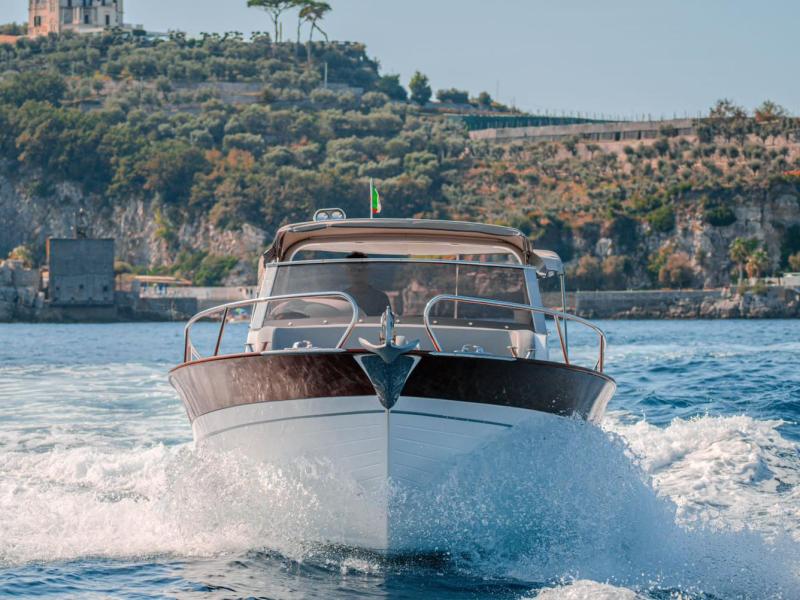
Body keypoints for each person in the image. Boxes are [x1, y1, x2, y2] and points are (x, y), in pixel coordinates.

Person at [343, 252, 392, 316]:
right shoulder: (342, 298)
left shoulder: (380, 298)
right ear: (347, 272)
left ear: (367, 271)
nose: (356, 273)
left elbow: (386, 323)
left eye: (360, 270)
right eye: (352, 270)